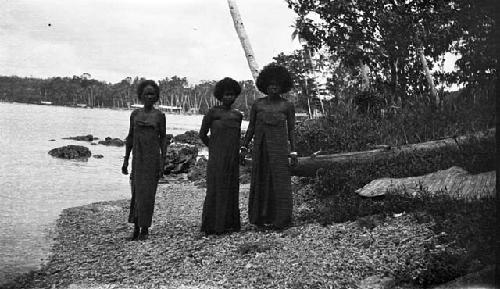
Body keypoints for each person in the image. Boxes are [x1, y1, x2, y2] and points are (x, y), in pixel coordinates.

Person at [241, 64, 298, 230]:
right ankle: (260, 218)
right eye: (270, 84)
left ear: (283, 86)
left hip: (279, 149)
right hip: (261, 148)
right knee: (261, 180)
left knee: (280, 181)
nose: (273, 87)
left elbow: (292, 129)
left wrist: (293, 151)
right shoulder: (258, 105)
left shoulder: (287, 106)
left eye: (277, 84)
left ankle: (281, 219)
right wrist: (244, 148)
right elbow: (251, 128)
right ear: (264, 85)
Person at [122, 80, 168, 240]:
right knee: (136, 192)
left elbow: (163, 139)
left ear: (156, 97)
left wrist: (163, 161)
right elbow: (130, 137)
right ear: (140, 96)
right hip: (137, 159)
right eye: (146, 94)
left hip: (152, 159)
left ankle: (145, 229)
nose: (149, 96)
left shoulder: (160, 116)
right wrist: (126, 160)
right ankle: (135, 228)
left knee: (148, 194)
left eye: (152, 94)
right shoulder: (135, 115)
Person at [199, 77, 243, 235]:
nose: (229, 97)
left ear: (235, 96)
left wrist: (237, 151)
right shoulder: (212, 113)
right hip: (216, 158)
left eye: (232, 95)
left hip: (232, 157)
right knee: (215, 188)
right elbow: (202, 134)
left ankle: (229, 225)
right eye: (226, 95)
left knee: (231, 188)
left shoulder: (238, 115)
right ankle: (212, 225)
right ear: (220, 96)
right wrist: (214, 148)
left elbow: (237, 138)